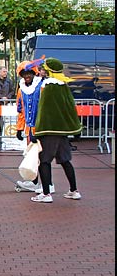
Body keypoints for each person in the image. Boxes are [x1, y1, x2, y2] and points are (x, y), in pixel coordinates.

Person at [30, 58, 82, 203]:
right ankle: (74, 190)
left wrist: (38, 132)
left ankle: (46, 194)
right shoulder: (63, 85)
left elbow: (44, 111)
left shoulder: (48, 86)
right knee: (65, 160)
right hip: (62, 131)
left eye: (42, 69)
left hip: (49, 130)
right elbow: (70, 108)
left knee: (44, 161)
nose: (39, 71)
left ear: (48, 71)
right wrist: (76, 128)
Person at [14, 58, 55, 194]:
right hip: (29, 129)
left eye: (29, 73)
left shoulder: (41, 87)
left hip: (41, 128)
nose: (27, 76)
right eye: (24, 74)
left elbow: (48, 108)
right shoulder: (21, 90)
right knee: (32, 157)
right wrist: (19, 129)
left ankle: (48, 184)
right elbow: (21, 111)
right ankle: (34, 182)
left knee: (43, 158)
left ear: (34, 73)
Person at [0, 66, 15, 149]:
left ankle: (8, 140)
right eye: (4, 71)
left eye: (6, 71)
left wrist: (7, 97)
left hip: (7, 103)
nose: (5, 73)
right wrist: (1, 97)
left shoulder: (9, 81)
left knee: (8, 122)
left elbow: (12, 90)